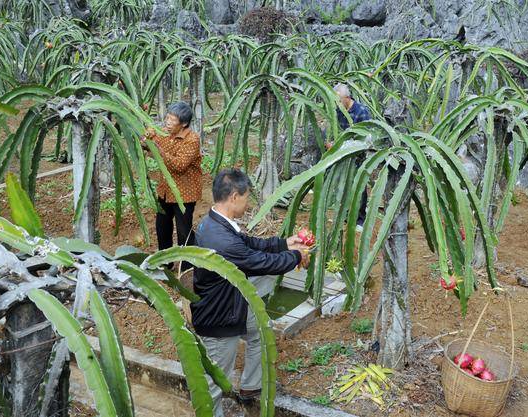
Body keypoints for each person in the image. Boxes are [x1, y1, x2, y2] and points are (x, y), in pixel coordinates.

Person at [191, 168, 310, 416]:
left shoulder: (217, 223)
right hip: (219, 319)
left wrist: (284, 243)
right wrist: (296, 256)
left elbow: (249, 243)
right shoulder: (221, 239)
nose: (248, 203)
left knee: (260, 332)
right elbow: (258, 262)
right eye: (246, 198)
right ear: (234, 196)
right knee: (214, 384)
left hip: (234, 304)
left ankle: (251, 386)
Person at [142, 102, 202, 271]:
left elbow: (179, 165)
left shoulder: (192, 139)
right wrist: (146, 139)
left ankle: (188, 268)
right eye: (167, 118)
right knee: (162, 227)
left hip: (185, 194)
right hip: (165, 190)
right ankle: (165, 263)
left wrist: (156, 148)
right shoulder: (165, 134)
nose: (167, 122)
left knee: (184, 232)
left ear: (183, 123)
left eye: (172, 120)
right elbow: (150, 139)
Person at [326, 83, 372, 231]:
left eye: (339, 100)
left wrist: (340, 146)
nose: (337, 103)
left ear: (347, 97)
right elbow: (335, 130)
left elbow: (366, 139)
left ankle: (360, 220)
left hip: (359, 155)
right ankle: (345, 215)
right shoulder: (338, 111)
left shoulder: (362, 112)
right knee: (343, 184)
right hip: (342, 155)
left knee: (359, 186)